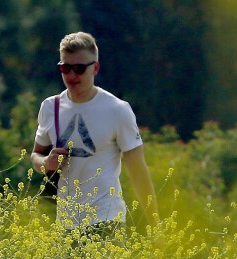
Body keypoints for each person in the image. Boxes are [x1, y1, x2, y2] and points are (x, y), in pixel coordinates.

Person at [31, 32, 157, 232]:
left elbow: (138, 169)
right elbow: (36, 154)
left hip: (107, 220)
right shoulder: (50, 107)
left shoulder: (117, 110)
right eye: (65, 68)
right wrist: (46, 163)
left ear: (95, 68)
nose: (72, 76)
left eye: (79, 69)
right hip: (66, 224)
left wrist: (155, 225)